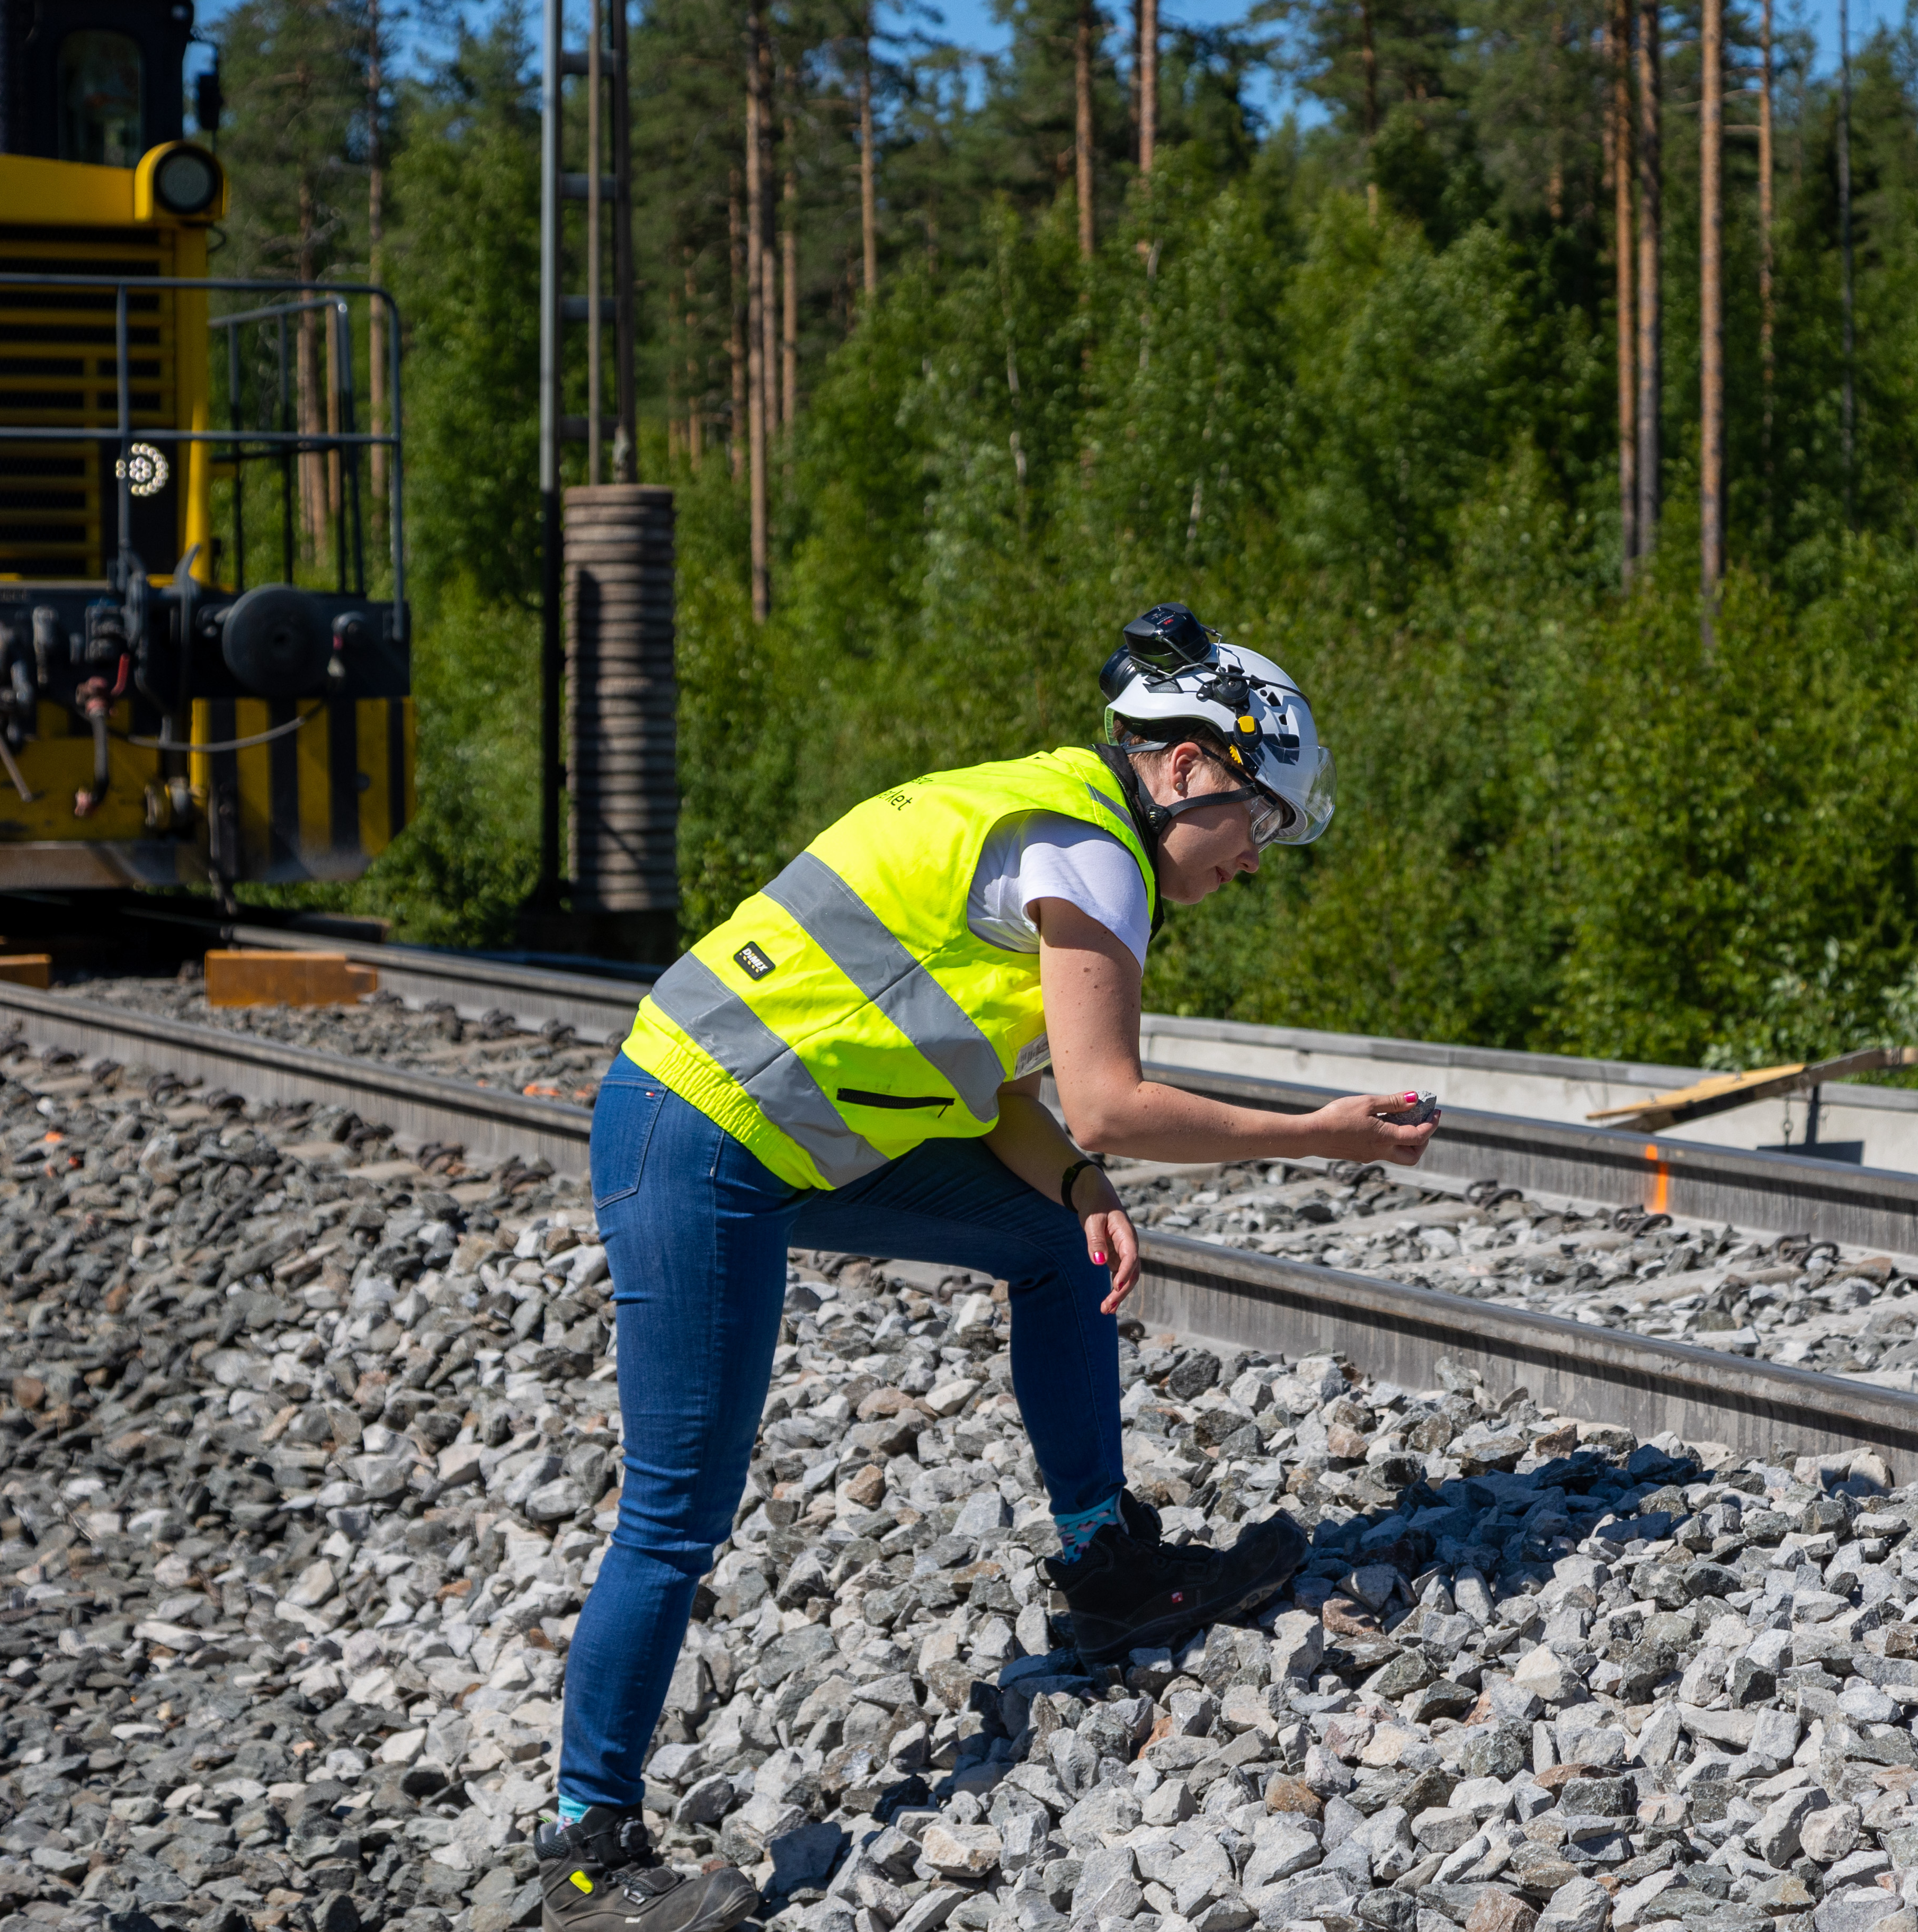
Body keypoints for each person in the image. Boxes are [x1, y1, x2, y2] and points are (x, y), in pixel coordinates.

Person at [532, 605, 1440, 1932]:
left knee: (1051, 1241)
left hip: (773, 1131)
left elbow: (996, 1081)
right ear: (1188, 766)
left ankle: (1104, 1568)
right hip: (699, 1136)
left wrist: (1077, 1182)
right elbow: (1114, 1100)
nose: (1263, 855)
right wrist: (1315, 1137)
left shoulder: (1069, 829)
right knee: (676, 1517)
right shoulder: (1092, 851)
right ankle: (581, 1855)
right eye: (1265, 819)